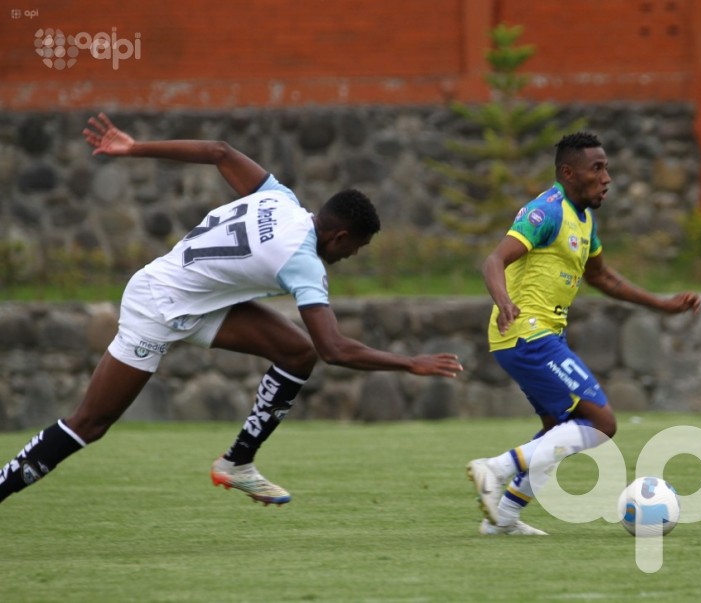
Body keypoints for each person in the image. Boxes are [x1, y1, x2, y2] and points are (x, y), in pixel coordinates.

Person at [0, 113, 463, 507]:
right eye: (356, 248)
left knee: (295, 352)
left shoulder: (279, 199)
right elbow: (336, 349)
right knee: (91, 423)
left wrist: (136, 146)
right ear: (339, 238)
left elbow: (219, 151)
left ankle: (237, 462)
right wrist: (409, 363)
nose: (353, 256)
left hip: (197, 301)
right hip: (156, 306)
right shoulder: (302, 262)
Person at [466, 132, 701, 535]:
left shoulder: (585, 220)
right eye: (598, 168)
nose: (607, 177)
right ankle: (496, 468)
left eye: (606, 167)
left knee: (560, 435)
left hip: (538, 338)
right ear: (569, 173)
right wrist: (504, 301)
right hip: (528, 333)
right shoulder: (547, 211)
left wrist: (661, 304)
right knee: (601, 423)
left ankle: (503, 519)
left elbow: (602, 277)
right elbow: (494, 260)